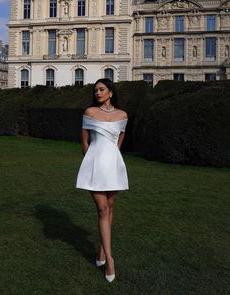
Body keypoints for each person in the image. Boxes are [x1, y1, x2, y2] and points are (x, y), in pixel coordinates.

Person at [76, 78, 129, 283]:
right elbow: (85, 142)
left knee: (110, 207)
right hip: (95, 165)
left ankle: (100, 250)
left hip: (113, 165)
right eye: (95, 90)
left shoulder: (122, 115)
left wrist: (113, 160)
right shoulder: (89, 113)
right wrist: (90, 163)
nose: (97, 93)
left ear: (111, 92)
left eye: (101, 89)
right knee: (102, 209)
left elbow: (118, 143)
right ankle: (110, 259)